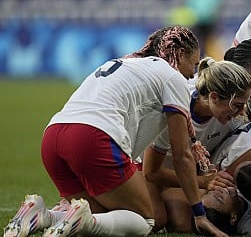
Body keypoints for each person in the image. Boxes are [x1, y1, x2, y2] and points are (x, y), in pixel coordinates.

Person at [4, 26, 226, 237]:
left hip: (53, 137)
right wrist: (199, 213)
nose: (192, 75)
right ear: (178, 54)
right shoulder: (173, 76)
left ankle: (42, 215)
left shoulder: (126, 62)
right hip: (91, 136)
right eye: (193, 64)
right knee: (145, 221)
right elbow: (182, 155)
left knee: (103, 213)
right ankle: (84, 222)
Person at [142, 57, 251, 232]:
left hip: (179, 172)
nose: (242, 112)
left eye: (245, 103)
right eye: (238, 105)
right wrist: (203, 182)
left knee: (182, 223)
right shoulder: (177, 106)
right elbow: (151, 172)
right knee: (157, 219)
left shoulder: (232, 115)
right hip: (145, 167)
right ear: (214, 97)